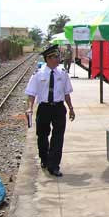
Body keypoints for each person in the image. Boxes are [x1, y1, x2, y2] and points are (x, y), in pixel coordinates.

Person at [25, 44, 75, 177]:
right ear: (48, 58)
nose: (58, 59)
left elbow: (66, 93)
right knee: (42, 135)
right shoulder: (38, 74)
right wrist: (30, 108)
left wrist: (70, 108)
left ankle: (54, 166)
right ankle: (44, 158)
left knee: (58, 137)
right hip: (44, 108)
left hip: (58, 108)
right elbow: (31, 94)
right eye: (55, 57)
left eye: (58, 56)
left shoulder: (63, 73)